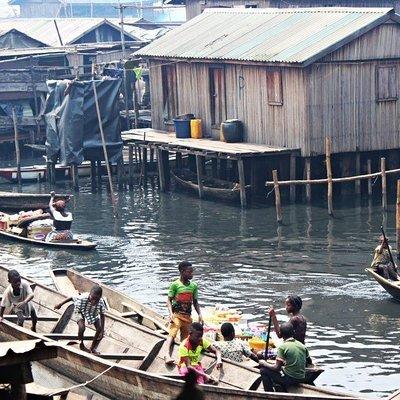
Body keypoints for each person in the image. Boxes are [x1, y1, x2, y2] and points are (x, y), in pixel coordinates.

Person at [165, 261, 203, 365]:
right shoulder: (175, 285)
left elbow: (195, 302)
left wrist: (200, 314)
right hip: (177, 315)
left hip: (187, 317)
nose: (192, 274)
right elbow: (168, 300)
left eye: (192, 272)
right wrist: (170, 313)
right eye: (189, 272)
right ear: (182, 272)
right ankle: (167, 355)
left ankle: (183, 360)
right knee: (172, 333)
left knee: (185, 340)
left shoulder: (194, 286)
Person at [259, 322, 312, 392]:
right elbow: (309, 362)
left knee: (263, 370)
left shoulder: (282, 347)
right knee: (282, 369)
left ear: (280, 334)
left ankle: (269, 393)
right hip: (302, 377)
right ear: (293, 333)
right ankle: (280, 388)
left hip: (291, 378)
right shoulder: (302, 345)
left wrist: (263, 363)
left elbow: (276, 368)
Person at [54, 285, 106, 354]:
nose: (93, 301)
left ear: (100, 298)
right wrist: (60, 304)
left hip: (92, 312)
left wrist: (102, 331)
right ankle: (81, 345)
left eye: (96, 300)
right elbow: (71, 298)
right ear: (90, 294)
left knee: (99, 329)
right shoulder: (83, 297)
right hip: (79, 310)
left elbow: (102, 316)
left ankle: (92, 348)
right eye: (92, 298)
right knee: (82, 328)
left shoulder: (101, 302)